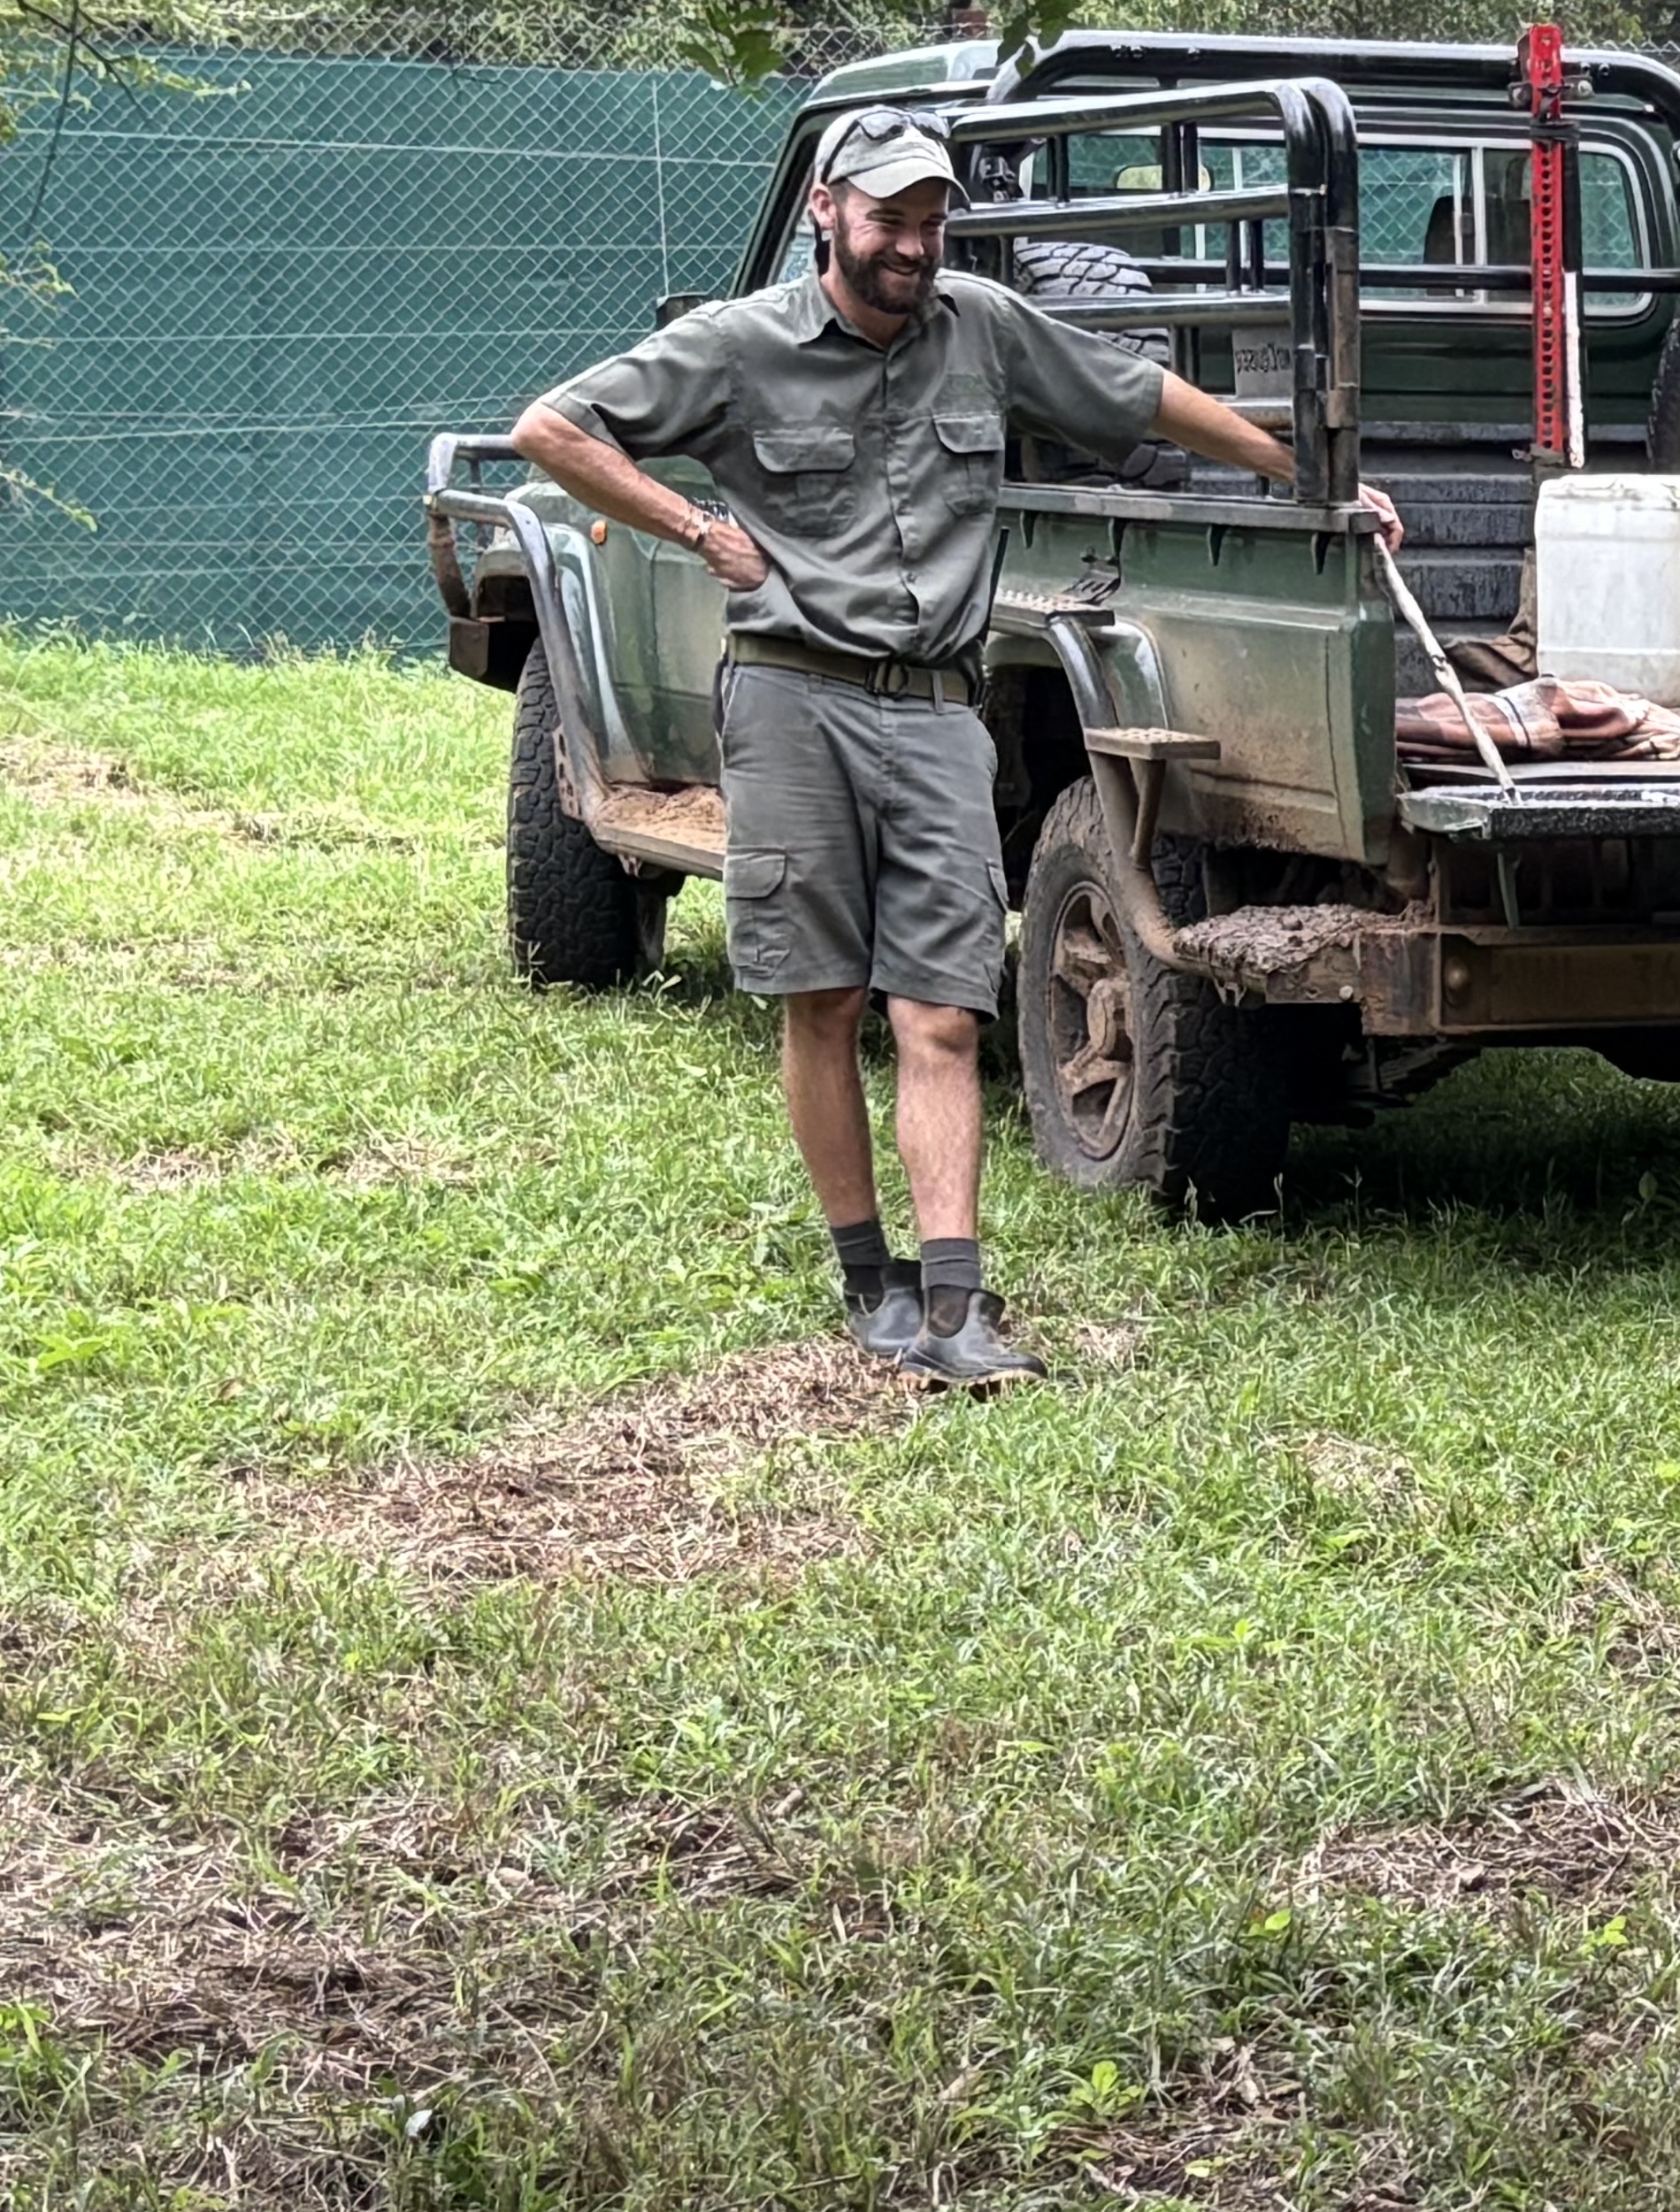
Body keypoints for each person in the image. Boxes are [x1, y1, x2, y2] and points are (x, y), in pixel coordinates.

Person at [511, 104, 1374, 1387]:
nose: (914, 245)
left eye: (931, 220)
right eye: (890, 219)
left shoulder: (983, 325)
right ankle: (872, 1279)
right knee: (826, 1000)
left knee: (944, 1010)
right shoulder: (740, 346)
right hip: (792, 697)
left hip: (935, 712)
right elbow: (553, 430)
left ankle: (957, 1302)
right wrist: (695, 533)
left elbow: (1145, 396)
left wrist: (1309, 479)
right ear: (828, 212)